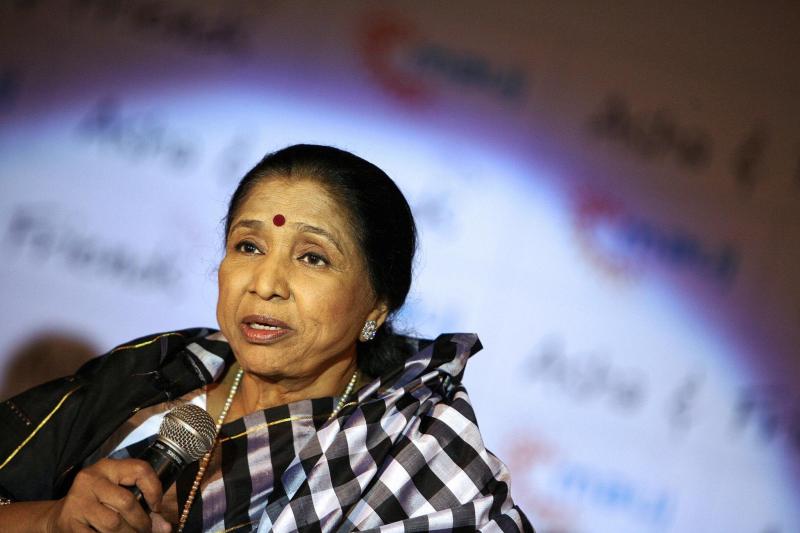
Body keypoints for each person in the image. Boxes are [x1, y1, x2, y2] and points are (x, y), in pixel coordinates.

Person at [0, 144, 534, 532]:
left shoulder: (414, 458)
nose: (265, 283)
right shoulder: (157, 373)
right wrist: (51, 521)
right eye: (249, 247)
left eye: (312, 258)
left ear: (378, 303)